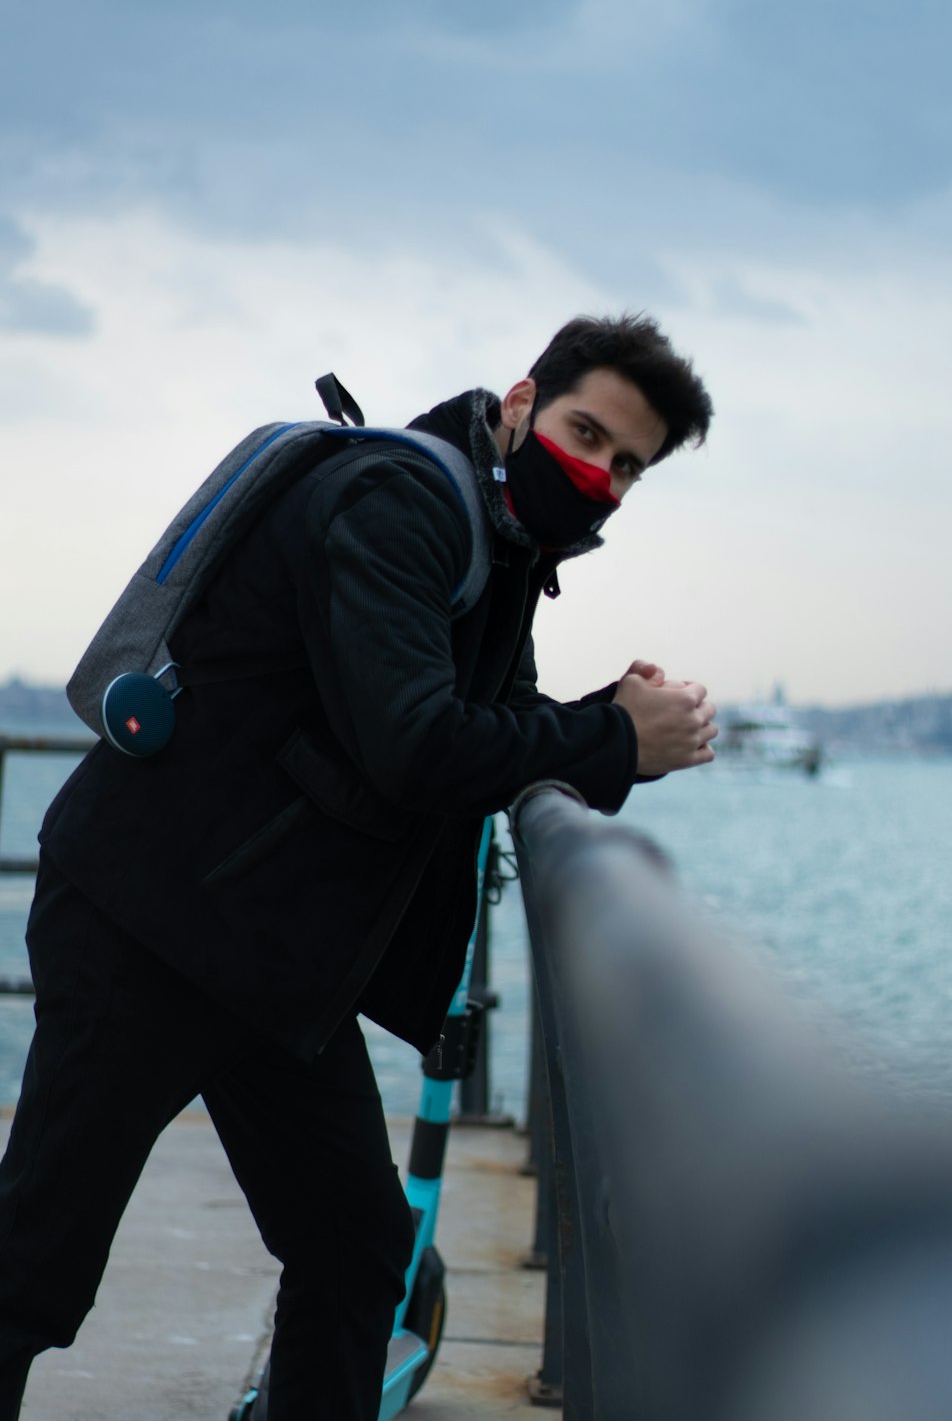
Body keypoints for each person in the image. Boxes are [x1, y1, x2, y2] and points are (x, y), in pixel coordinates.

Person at [0, 312, 717, 1420]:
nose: (598, 478)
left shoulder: (501, 538)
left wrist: (606, 717)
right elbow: (415, 743)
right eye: (585, 434)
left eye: (626, 467)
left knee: (355, 1250)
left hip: (271, 958)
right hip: (149, 928)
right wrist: (619, 742)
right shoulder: (398, 503)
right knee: (34, 1268)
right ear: (522, 402)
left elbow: (493, 716)